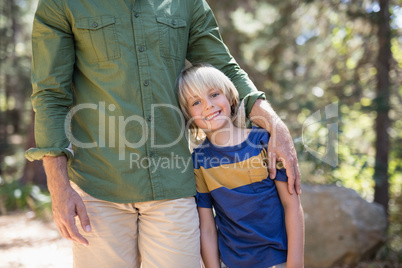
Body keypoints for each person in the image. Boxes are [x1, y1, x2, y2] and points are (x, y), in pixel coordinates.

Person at [26, 0, 301, 267]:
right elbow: (51, 95)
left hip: (172, 184)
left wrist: (275, 125)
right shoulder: (60, 3)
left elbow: (224, 69)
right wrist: (58, 186)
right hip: (98, 184)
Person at [177, 63, 305, 268]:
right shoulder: (199, 160)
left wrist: (295, 264)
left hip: (278, 259)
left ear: (229, 95)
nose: (208, 105)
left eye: (214, 94)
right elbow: (207, 226)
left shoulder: (264, 141)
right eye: (196, 102)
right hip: (232, 262)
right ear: (189, 116)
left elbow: (292, 205)